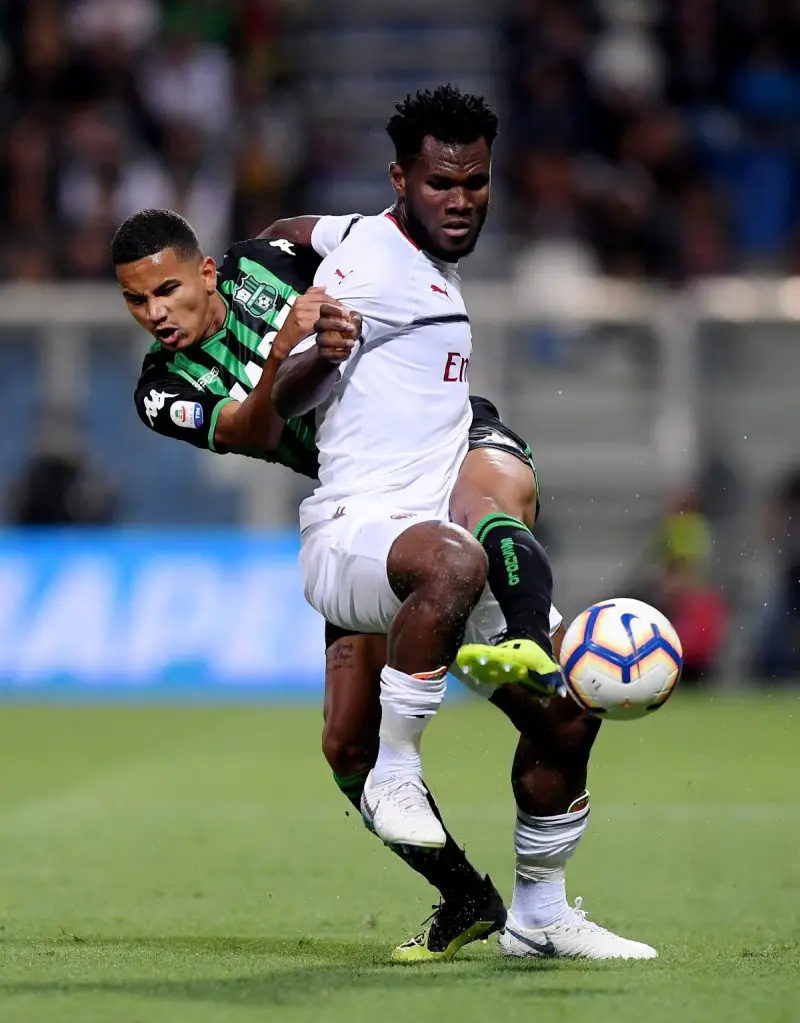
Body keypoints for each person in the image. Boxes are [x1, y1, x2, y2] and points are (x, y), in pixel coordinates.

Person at [114, 205, 653, 962]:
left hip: (442, 441)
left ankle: (543, 909)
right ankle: (466, 897)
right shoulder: (161, 387)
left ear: (207, 272)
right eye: (136, 300)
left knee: (560, 708)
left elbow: (334, 232)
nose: (154, 313)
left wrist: (346, 253)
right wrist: (291, 344)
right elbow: (255, 430)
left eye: (166, 290)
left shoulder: (269, 258)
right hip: (365, 503)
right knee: (346, 745)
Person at [273, 85, 655, 960]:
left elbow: (301, 229)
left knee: (570, 712)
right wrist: (318, 355)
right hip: (354, 535)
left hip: (431, 536)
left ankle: (539, 916)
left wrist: (256, 247)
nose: (460, 200)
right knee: (455, 560)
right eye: (440, 184)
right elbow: (288, 390)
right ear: (401, 180)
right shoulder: (368, 266)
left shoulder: (374, 238)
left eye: (475, 183)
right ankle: (397, 770)